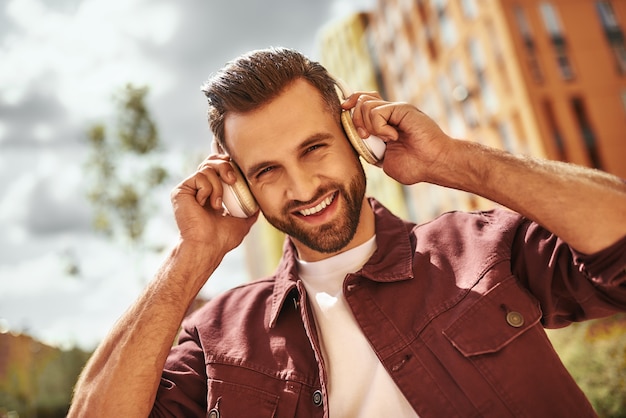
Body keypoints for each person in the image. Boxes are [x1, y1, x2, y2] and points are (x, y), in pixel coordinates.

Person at [68, 47, 626, 418]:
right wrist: (191, 258)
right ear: (240, 187)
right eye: (267, 171)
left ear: (358, 140)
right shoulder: (216, 338)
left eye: (314, 148)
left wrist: (452, 161)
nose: (304, 186)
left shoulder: (483, 248)